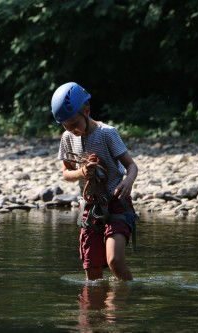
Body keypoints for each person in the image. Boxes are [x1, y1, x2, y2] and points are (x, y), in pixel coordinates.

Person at [51, 82, 139, 281]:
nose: (71, 129)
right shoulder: (67, 138)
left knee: (115, 261)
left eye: (74, 123)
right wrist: (82, 172)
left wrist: (128, 182)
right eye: (66, 125)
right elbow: (66, 173)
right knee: (92, 271)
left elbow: (131, 166)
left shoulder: (107, 133)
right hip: (91, 208)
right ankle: (94, 310)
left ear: (87, 110)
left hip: (117, 204)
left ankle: (126, 303)